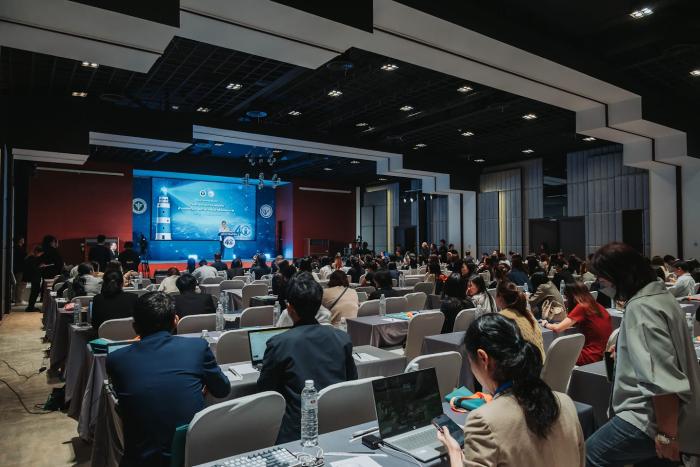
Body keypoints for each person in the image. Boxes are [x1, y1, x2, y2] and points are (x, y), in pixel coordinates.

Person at [585, 242, 700, 466]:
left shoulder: (641, 307)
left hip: (645, 418)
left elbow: (662, 379)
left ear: (619, 275)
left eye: (602, 277)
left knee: (588, 456)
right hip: (668, 415)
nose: (600, 283)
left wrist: (667, 435)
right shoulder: (661, 296)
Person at [436, 314, 584, 467]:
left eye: (470, 361)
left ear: (483, 358)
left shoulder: (483, 421)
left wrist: (454, 453)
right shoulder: (565, 403)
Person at [106, 292, 230, 466]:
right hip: (191, 455)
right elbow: (223, 389)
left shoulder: (116, 359)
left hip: (142, 459)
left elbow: (133, 401)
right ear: (175, 321)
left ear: (135, 326)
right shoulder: (197, 347)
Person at [258, 273, 358, 443]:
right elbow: (351, 382)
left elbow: (266, 391)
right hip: (338, 424)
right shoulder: (342, 338)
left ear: (290, 309)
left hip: (296, 432)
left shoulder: (279, 343)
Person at [542, 282, 612, 365]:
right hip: (602, 354)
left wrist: (546, 324)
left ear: (573, 296)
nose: (566, 300)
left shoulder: (582, 306)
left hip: (590, 355)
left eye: (567, 297)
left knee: (554, 354)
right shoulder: (597, 305)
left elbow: (558, 328)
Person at [496, 281, 545, 361]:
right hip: (541, 364)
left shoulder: (501, 317)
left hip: (524, 367)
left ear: (500, 297)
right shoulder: (528, 313)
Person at [23, 246, 43, 311]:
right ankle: (30, 307)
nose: (40, 255)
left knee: (34, 292)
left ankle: (31, 306)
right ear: (37, 252)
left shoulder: (30, 257)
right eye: (40, 253)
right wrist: (40, 267)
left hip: (34, 277)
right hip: (34, 277)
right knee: (34, 292)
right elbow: (34, 268)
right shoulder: (32, 258)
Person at [12, 237, 26, 304]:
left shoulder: (15, 248)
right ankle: (18, 300)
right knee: (20, 285)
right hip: (20, 268)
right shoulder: (19, 249)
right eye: (22, 239)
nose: (23, 240)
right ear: (20, 240)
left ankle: (15, 299)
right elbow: (23, 258)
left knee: (17, 285)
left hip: (17, 268)